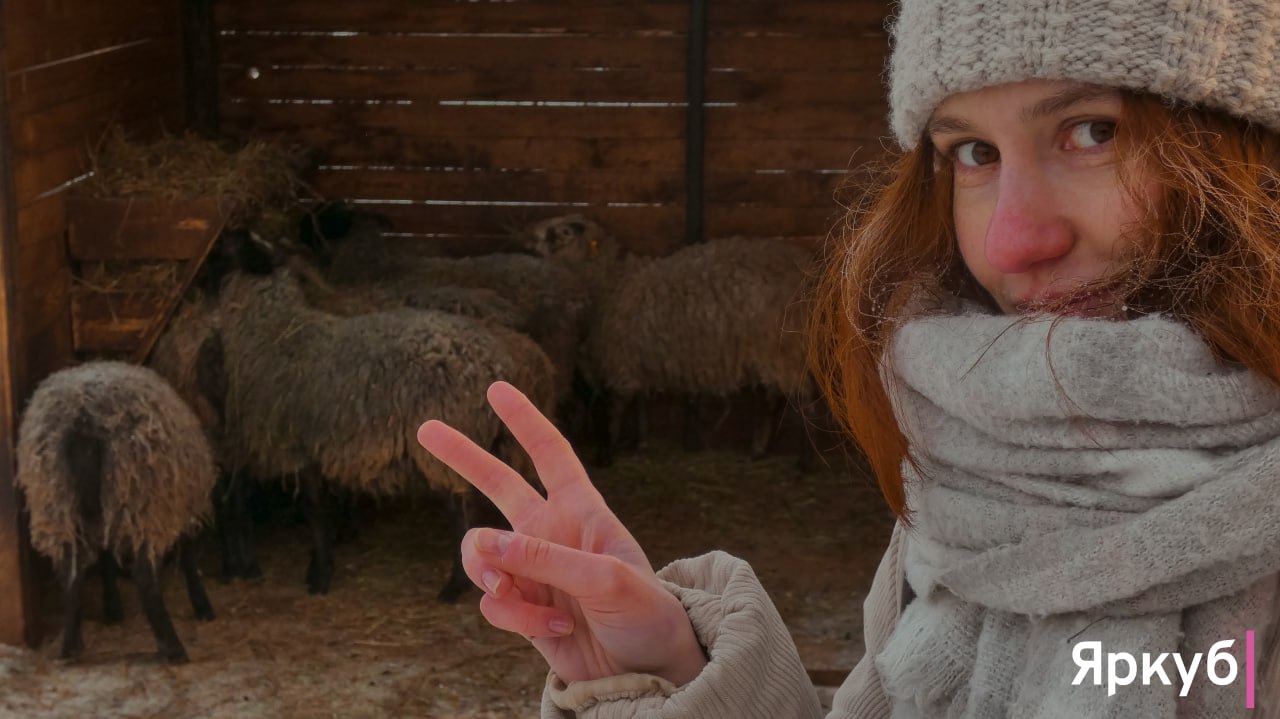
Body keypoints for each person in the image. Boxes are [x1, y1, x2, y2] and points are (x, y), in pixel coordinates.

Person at [417, 0, 1280, 716]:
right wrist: (668, 669)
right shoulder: (963, 487)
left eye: (1093, 131)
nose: (1013, 239)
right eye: (973, 152)